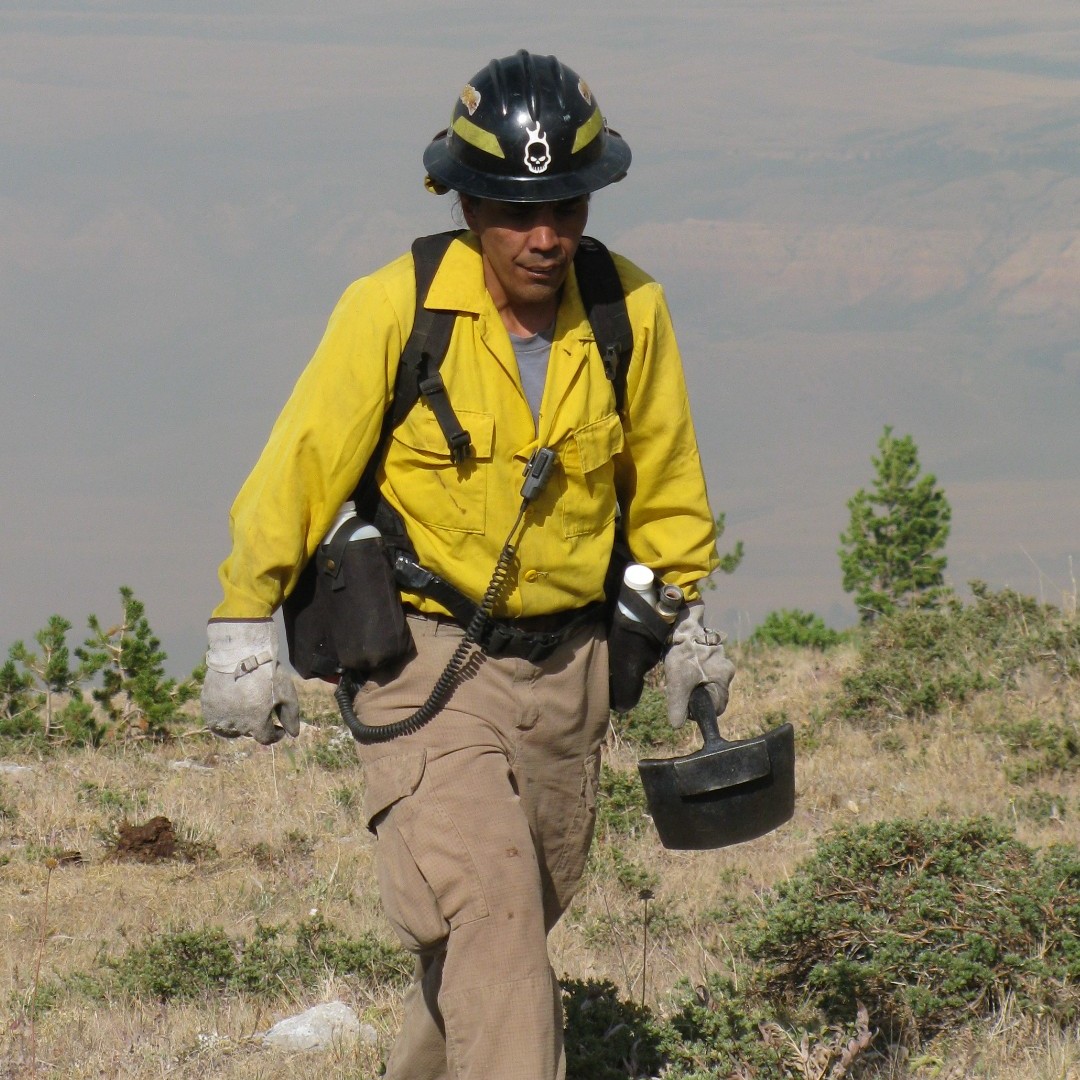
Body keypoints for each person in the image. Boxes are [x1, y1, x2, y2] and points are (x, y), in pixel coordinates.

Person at [201, 49, 735, 1080]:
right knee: (490, 907)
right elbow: (301, 465)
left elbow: (666, 479)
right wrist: (241, 620)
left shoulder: (631, 312)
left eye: (566, 207)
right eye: (516, 209)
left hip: (570, 671)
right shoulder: (392, 309)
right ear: (467, 200)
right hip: (425, 660)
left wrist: (687, 620)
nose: (546, 236)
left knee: (502, 936)